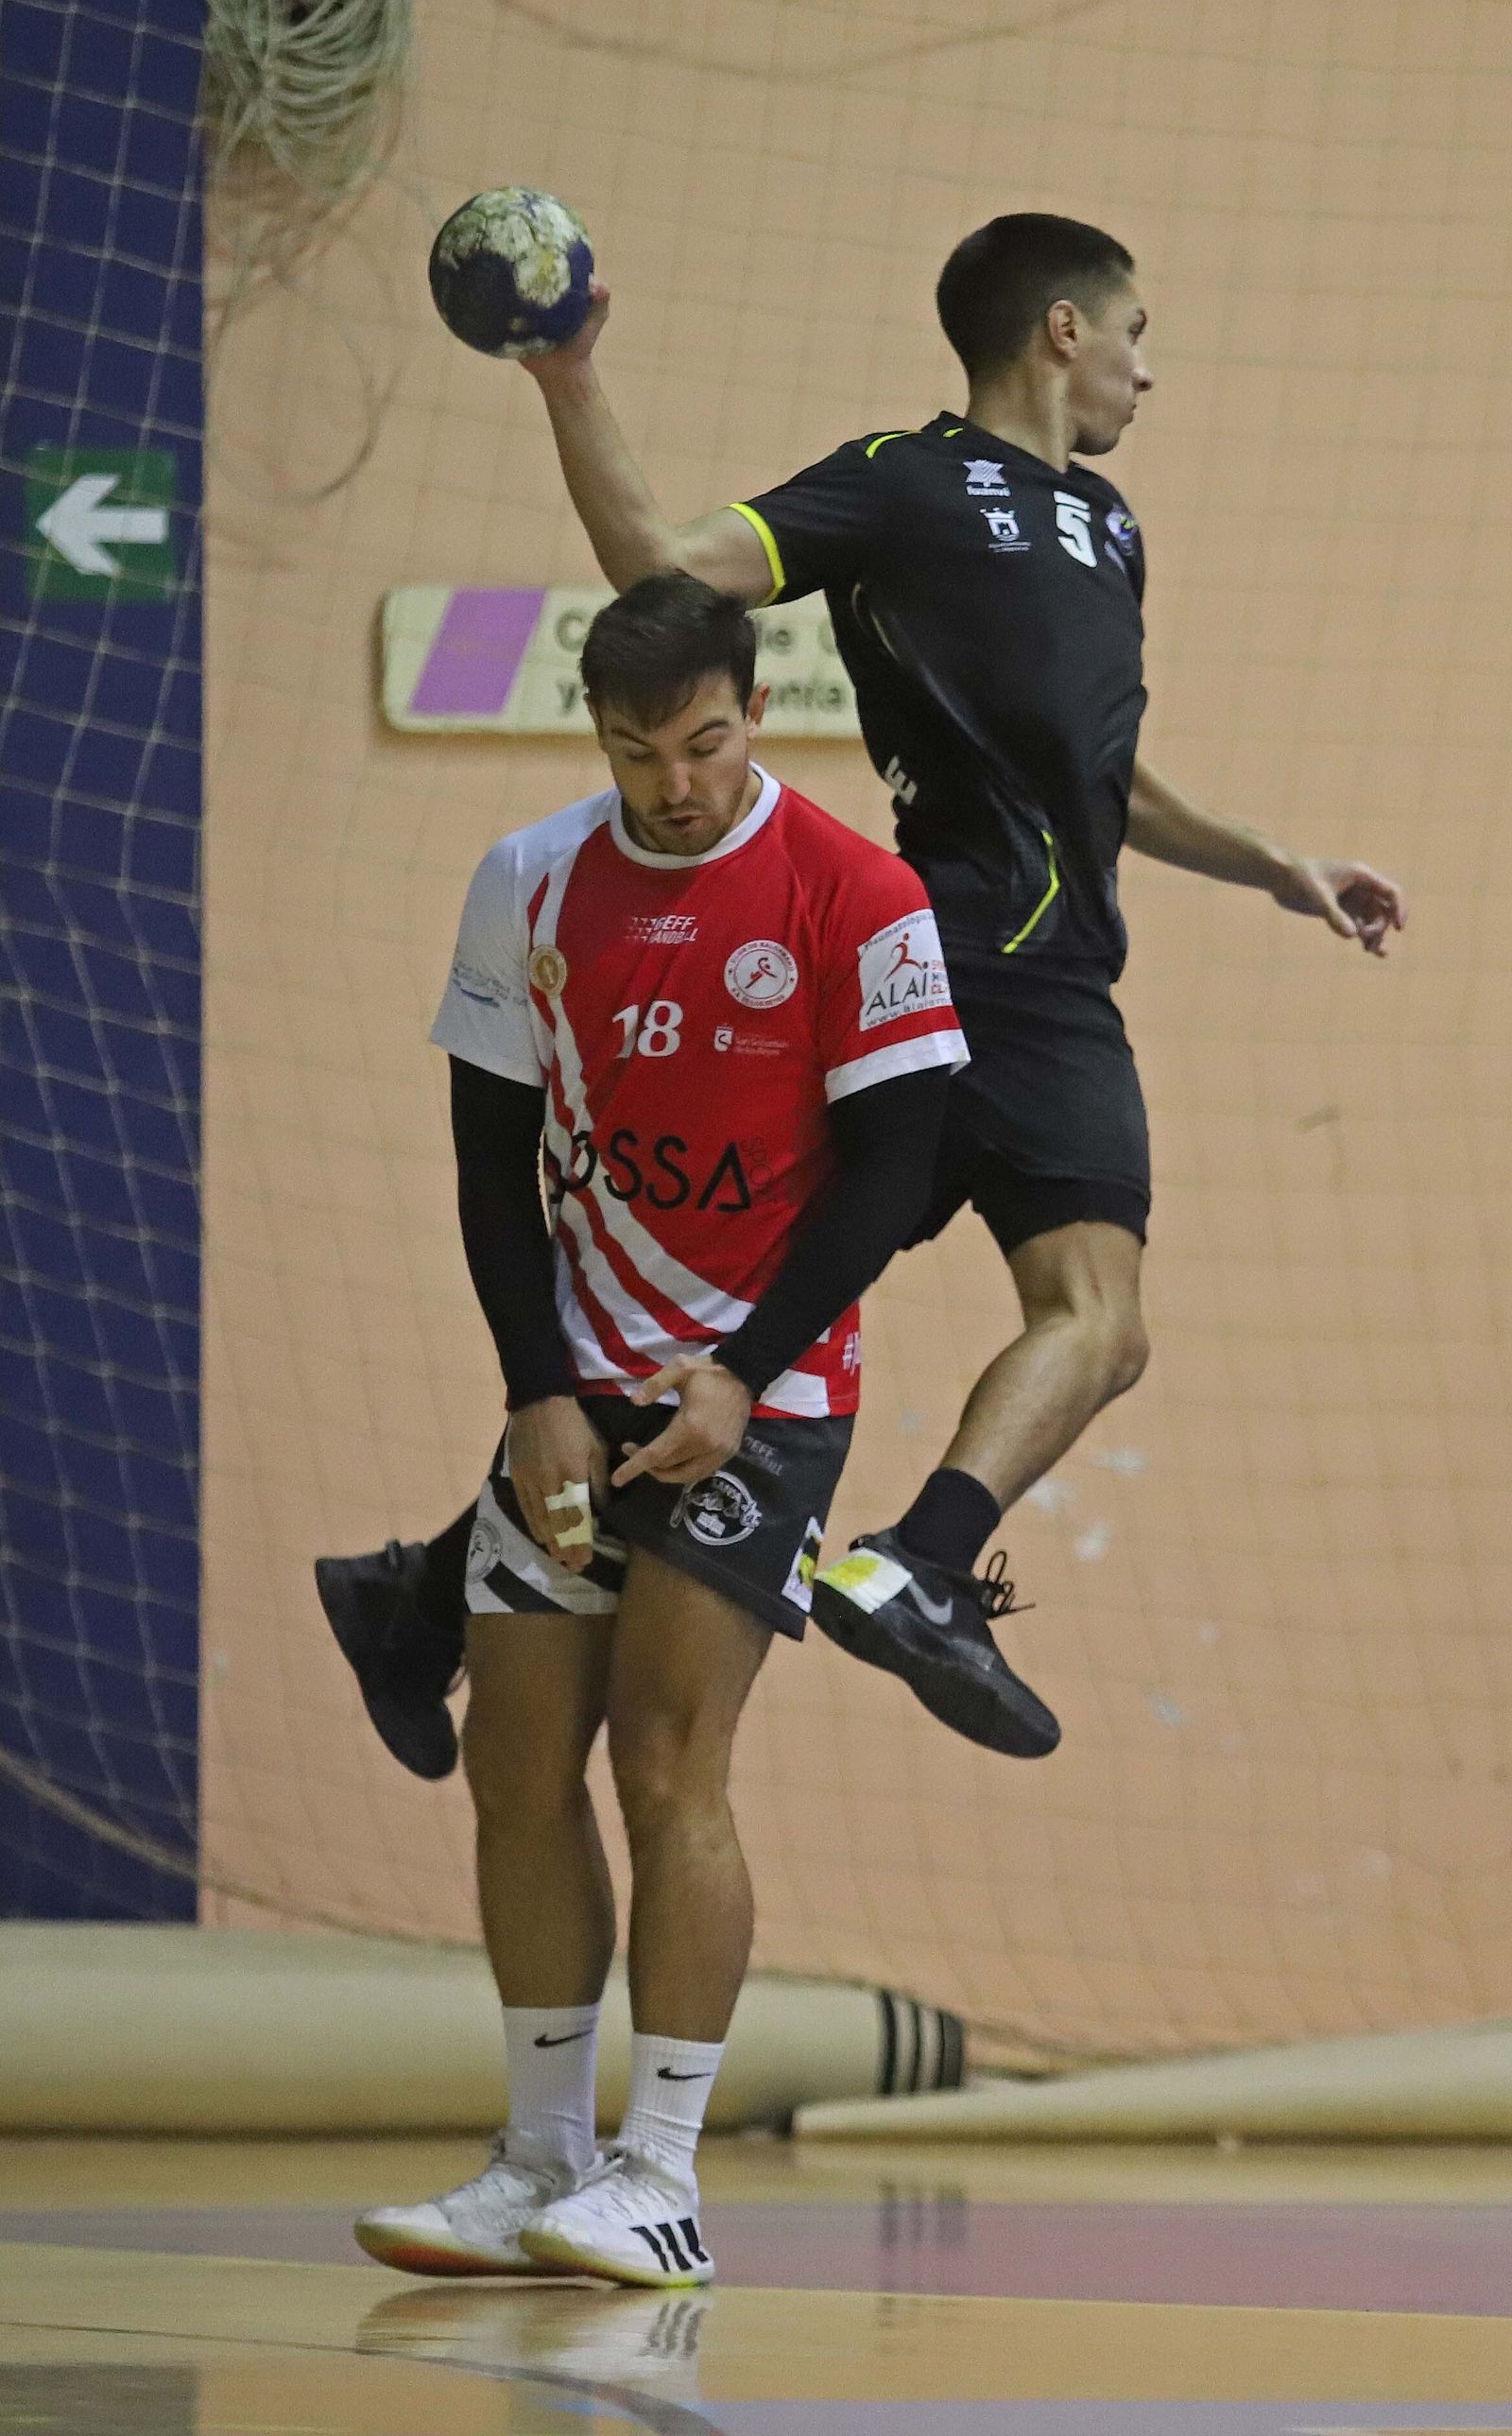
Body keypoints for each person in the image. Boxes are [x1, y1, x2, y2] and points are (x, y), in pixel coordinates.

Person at [319, 210, 1405, 1773]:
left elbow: (1097, 777)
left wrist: (1276, 866)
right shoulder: (903, 480)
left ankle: (418, 1597)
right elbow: (659, 572)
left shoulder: (1108, 529)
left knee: (741, 1328)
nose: (1147, 371)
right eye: (1137, 333)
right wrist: (567, 378)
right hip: (989, 965)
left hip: (1027, 968)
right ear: (1063, 329)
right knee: (1096, 1318)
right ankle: (923, 1566)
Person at [354, 572, 969, 2286]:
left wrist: (742, 1371)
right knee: (514, 1764)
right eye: (639, 752)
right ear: (599, 732)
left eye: (703, 743)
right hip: (578, 1387)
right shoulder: (528, 881)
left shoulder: (859, 893)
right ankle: (539, 2162)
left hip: (763, 1395)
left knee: (666, 1760)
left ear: (754, 711)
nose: (675, 784)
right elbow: (491, 1168)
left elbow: (897, 1174)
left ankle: (664, 2178)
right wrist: (534, 1393)